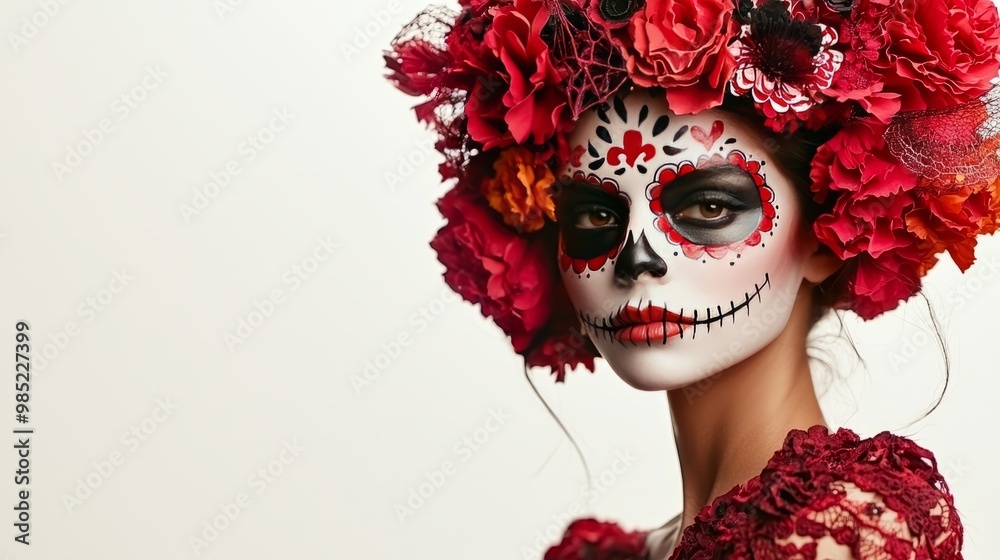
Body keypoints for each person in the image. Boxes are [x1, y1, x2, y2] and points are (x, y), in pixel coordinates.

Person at [383, 0, 1000, 558]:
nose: (635, 259)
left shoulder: (842, 536)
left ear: (828, 234)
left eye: (708, 207)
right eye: (595, 215)